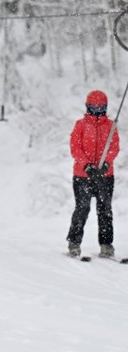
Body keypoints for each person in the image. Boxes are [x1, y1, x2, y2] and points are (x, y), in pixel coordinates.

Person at [66, 90, 120, 258]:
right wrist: (87, 166)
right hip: (83, 176)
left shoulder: (111, 126)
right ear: (87, 107)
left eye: (101, 107)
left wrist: (106, 163)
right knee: (82, 209)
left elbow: (114, 147)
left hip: (105, 177)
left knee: (105, 210)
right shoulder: (80, 125)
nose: (97, 111)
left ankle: (106, 244)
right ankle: (74, 243)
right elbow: (76, 147)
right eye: (93, 107)